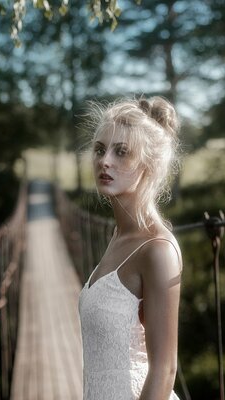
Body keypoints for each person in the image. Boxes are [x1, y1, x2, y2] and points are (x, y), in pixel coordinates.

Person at [78, 95, 183, 400]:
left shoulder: (157, 249)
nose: (104, 160)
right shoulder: (118, 236)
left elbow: (164, 370)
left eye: (121, 152)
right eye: (99, 149)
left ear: (147, 163)